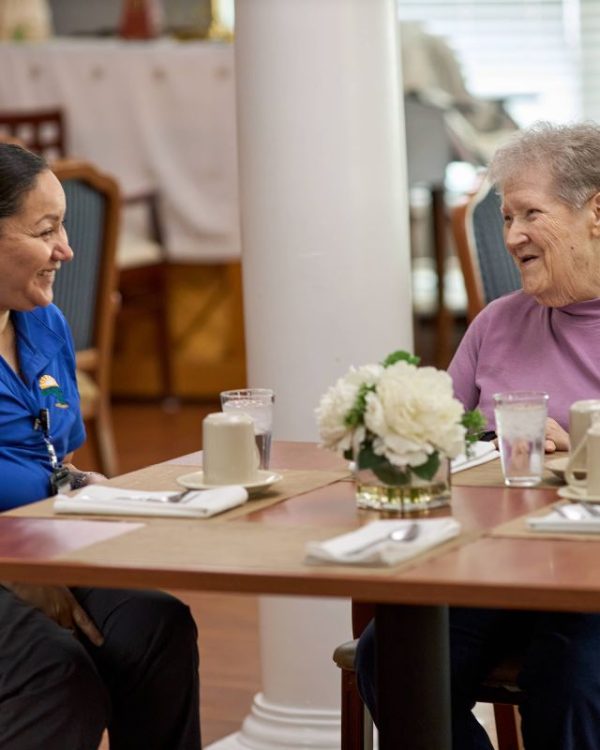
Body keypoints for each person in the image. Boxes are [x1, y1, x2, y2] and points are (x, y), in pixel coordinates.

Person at [355, 121, 600, 750]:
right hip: (497, 569)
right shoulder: (497, 323)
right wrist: (479, 440)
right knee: (389, 656)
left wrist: (576, 449)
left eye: (530, 213)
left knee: (569, 679)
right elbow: (434, 439)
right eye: (505, 216)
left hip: (591, 584)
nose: (512, 235)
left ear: (596, 212)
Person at [0, 142, 201, 749]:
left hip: (45, 548)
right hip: (12, 560)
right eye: (47, 230)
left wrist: (82, 487)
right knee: (54, 672)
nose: (67, 250)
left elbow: (50, 456)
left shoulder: (42, 322)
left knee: (155, 626)